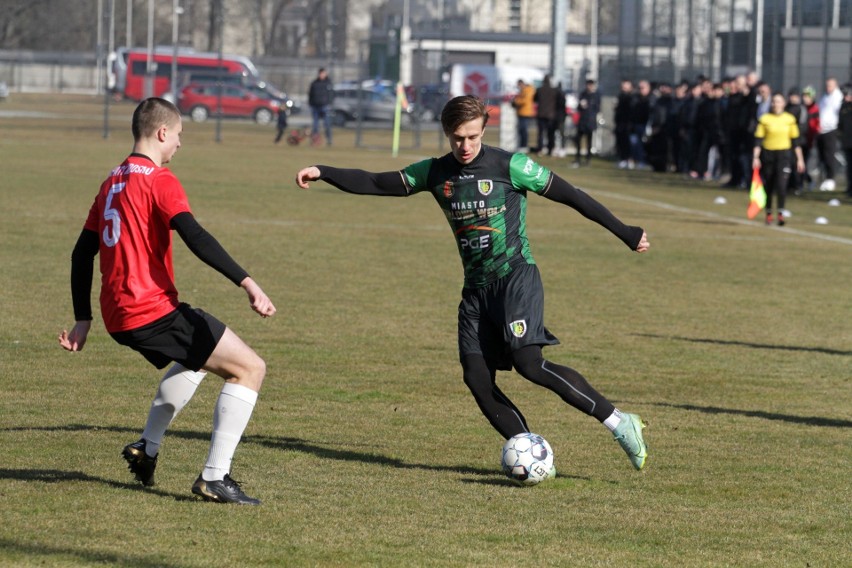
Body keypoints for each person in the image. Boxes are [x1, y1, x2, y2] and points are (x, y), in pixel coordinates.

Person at [295, 95, 651, 472]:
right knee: (476, 377)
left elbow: (574, 197)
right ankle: (530, 454)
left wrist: (626, 232)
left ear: (484, 127)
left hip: (515, 276)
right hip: (476, 289)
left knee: (529, 363)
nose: (464, 146)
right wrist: (324, 170)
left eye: (472, 137)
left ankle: (618, 422)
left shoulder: (511, 165)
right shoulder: (434, 172)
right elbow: (376, 182)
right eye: (456, 138)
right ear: (447, 134)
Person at [59, 98, 276, 505]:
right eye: (178, 135)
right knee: (250, 368)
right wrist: (247, 282)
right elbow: (195, 236)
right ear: (162, 133)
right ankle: (214, 476)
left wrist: (83, 319)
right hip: (149, 309)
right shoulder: (159, 180)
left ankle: (147, 447)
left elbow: (80, 253)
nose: (179, 144)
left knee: (196, 358)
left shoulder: (111, 181)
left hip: (117, 314)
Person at [752, 92, 805, 226]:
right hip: (768, 154)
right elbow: (758, 140)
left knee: (782, 185)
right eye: (774, 101)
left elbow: (795, 141)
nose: (776, 104)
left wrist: (800, 159)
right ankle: (769, 213)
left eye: (779, 101)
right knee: (769, 185)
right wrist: (756, 157)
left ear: (784, 103)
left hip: (784, 155)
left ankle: (780, 213)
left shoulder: (789, 119)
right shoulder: (765, 119)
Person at [816, 77, 843, 191]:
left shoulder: (838, 97)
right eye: (827, 85)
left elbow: (838, 114)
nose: (828, 87)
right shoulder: (825, 97)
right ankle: (825, 179)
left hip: (831, 130)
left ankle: (830, 179)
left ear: (835, 85)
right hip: (821, 130)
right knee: (822, 155)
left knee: (829, 155)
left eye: (830, 85)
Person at [573, 79, 601, 166]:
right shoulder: (583, 94)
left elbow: (597, 109)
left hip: (590, 122)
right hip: (582, 121)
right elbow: (578, 107)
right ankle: (578, 158)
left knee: (589, 142)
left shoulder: (596, 96)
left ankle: (588, 159)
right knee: (578, 140)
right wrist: (581, 105)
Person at [308, 67, 334, 146]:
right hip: (316, 106)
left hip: (325, 106)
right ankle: (315, 140)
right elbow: (310, 94)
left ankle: (329, 140)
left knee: (327, 124)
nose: (322, 75)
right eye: (321, 73)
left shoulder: (328, 83)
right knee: (315, 125)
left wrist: (330, 103)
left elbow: (332, 94)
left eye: (323, 73)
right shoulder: (314, 83)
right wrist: (311, 103)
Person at [533, 74, 558, 156]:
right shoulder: (554, 90)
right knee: (550, 133)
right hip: (551, 115)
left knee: (541, 133)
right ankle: (550, 149)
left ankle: (540, 149)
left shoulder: (539, 89)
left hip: (541, 114)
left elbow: (534, 99)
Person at [512, 79, 535, 153]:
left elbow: (525, 101)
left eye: (519, 85)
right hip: (521, 112)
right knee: (521, 130)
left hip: (525, 113)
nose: (518, 87)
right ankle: (522, 145)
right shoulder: (524, 90)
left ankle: (524, 146)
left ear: (521, 84)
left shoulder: (528, 90)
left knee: (523, 130)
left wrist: (516, 101)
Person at [838, 84, 852, 198]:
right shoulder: (843, 107)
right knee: (849, 166)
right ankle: (849, 188)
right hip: (847, 142)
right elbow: (840, 124)